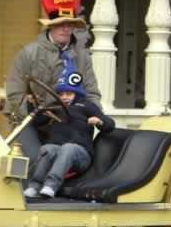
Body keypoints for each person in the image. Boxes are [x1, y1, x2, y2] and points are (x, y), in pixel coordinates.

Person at [5, 0, 101, 160]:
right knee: (37, 159)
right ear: (50, 26)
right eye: (60, 24)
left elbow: (92, 94)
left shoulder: (82, 57)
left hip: (68, 123)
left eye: (69, 24)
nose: (65, 29)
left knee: (74, 158)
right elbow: (14, 94)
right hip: (29, 121)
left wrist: (94, 117)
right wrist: (31, 109)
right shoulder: (28, 54)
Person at [23, 54, 115, 199]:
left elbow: (110, 125)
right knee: (47, 149)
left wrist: (99, 121)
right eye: (61, 94)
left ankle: (51, 185)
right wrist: (31, 104)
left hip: (80, 155)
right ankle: (34, 186)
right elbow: (38, 121)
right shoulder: (55, 107)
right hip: (58, 151)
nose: (65, 97)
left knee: (68, 148)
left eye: (69, 93)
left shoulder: (87, 106)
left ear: (76, 93)